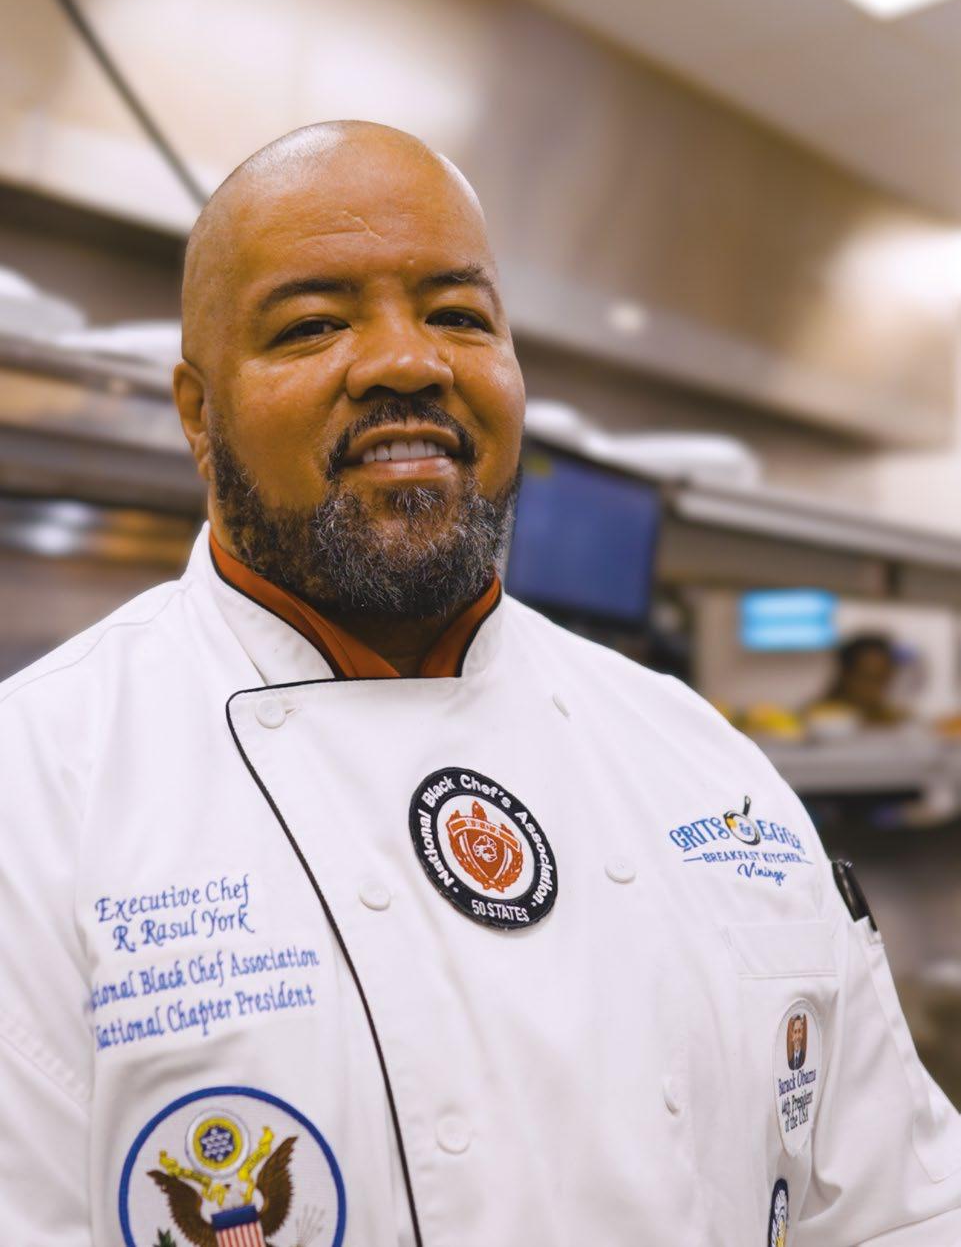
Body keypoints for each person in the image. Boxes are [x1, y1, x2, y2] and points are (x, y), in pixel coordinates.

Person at [1, 121, 959, 1247]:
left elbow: (899, 1207)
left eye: (458, 314)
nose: (409, 362)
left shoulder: (696, 758)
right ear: (199, 415)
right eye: (313, 324)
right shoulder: (40, 791)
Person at [812, 633, 909, 728]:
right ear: (846, 675)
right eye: (868, 678)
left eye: (883, 679)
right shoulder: (818, 719)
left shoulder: (893, 718)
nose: (875, 688)